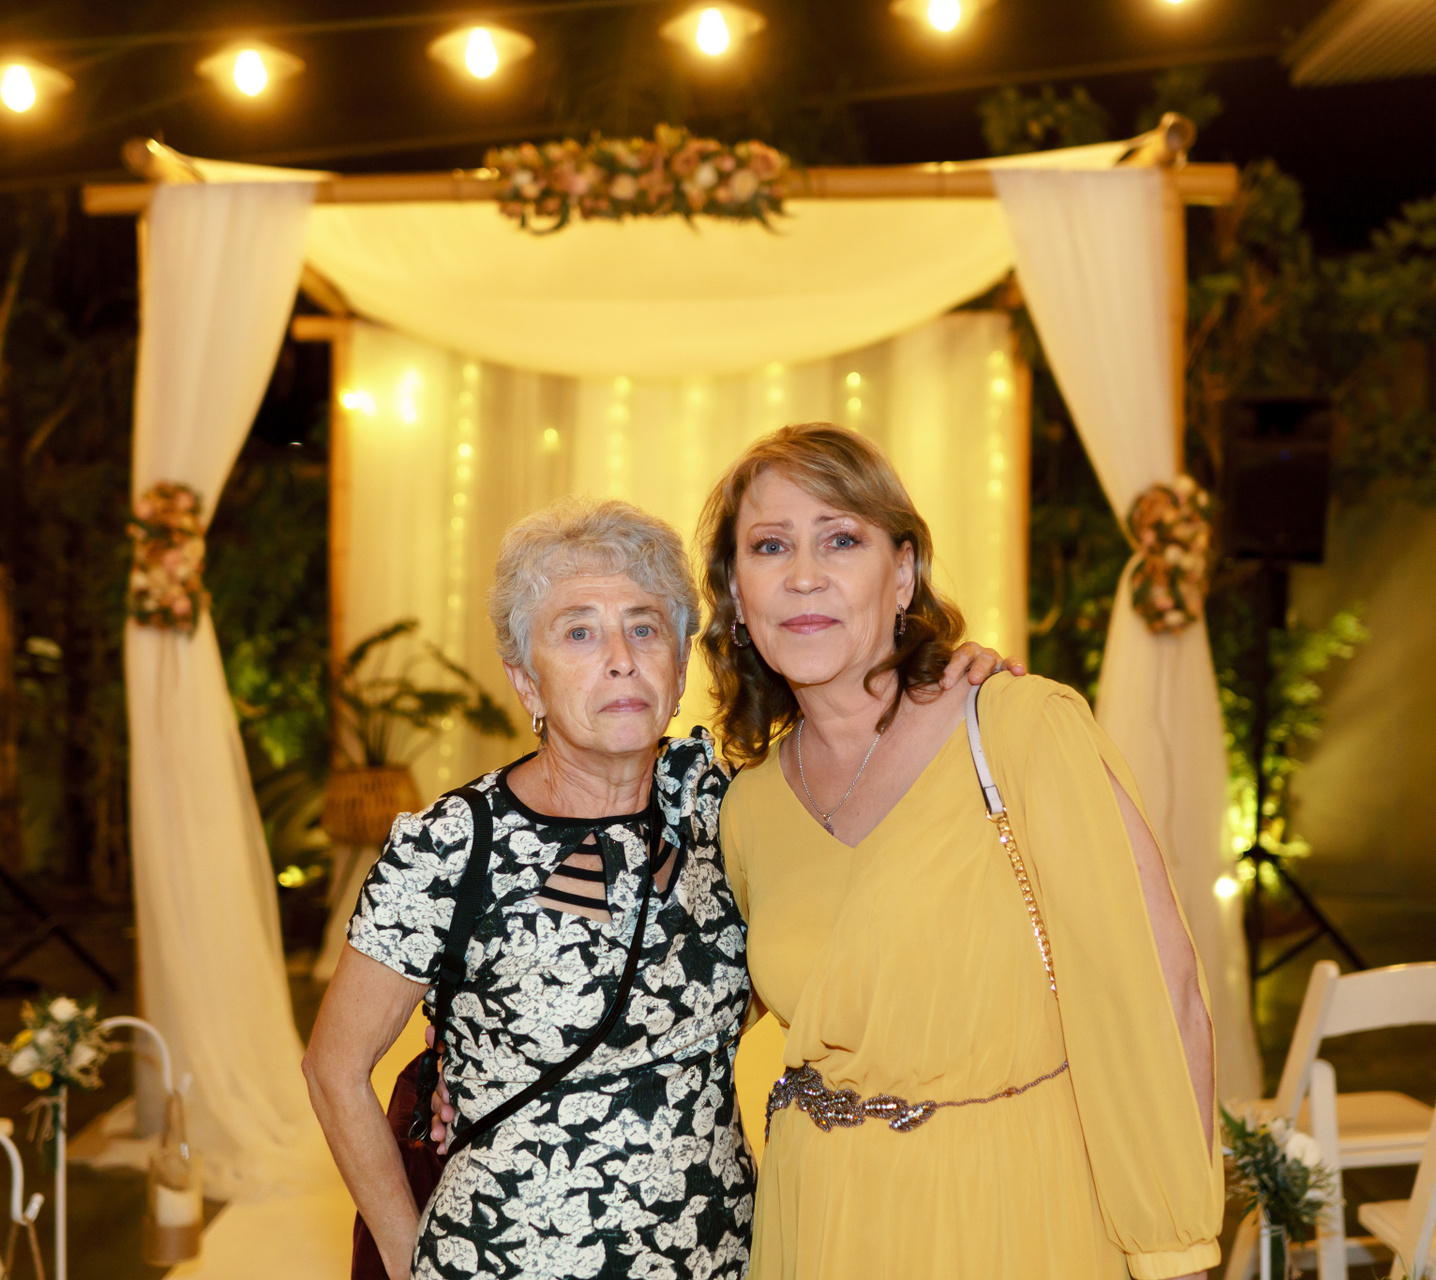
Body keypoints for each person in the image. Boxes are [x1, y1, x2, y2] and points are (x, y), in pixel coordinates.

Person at [304, 496, 1013, 1280]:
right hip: (501, 1258)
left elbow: (851, 811)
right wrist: (408, 1256)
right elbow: (335, 1068)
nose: (620, 659)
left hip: (719, 1257)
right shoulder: (451, 844)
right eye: (578, 632)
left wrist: (948, 687)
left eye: (644, 629)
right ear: (526, 682)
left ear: (678, 672)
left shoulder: (719, 801)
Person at [702, 424, 1222, 1280]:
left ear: (903, 573)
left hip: (1014, 1215)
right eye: (769, 546)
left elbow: (1160, 997)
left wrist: (1174, 1252)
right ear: (736, 590)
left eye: (841, 539)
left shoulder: (1019, 728)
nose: (803, 575)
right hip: (821, 1224)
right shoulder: (748, 806)